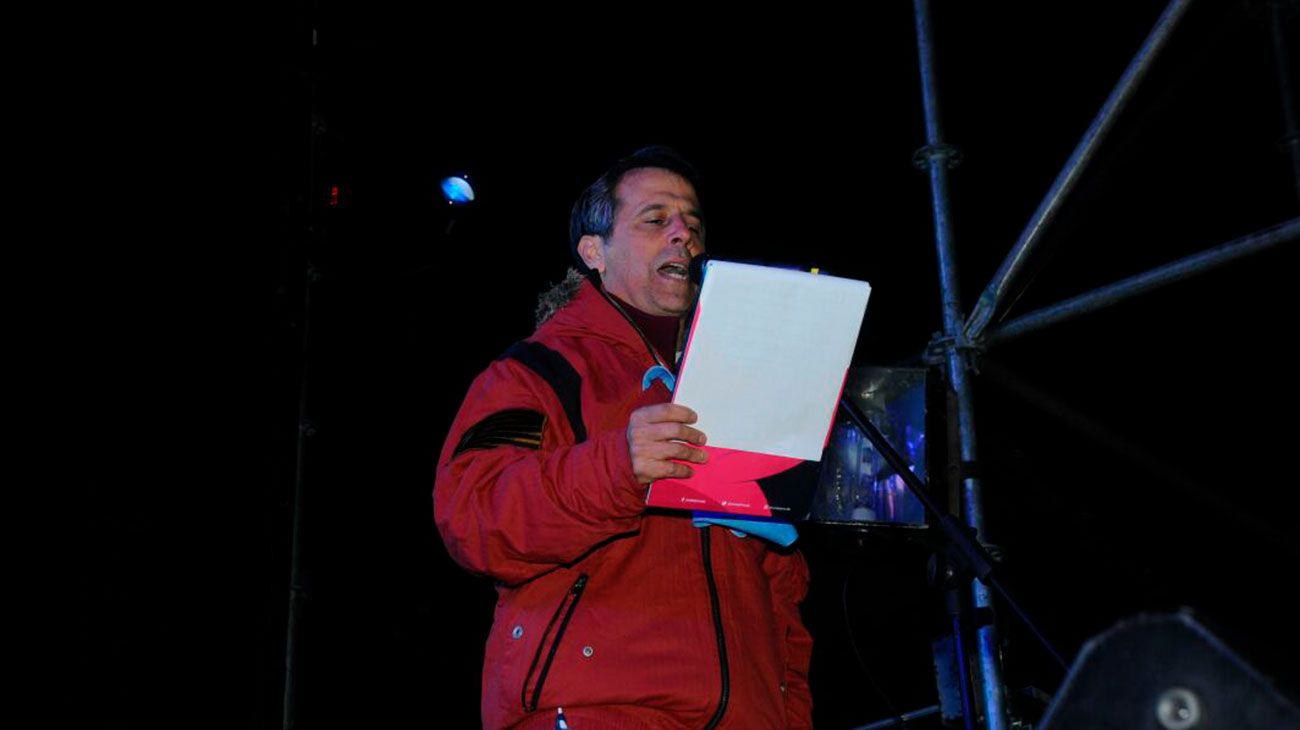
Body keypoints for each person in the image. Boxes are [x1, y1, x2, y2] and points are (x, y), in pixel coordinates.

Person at [434, 146, 813, 729]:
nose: (683, 233)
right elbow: (474, 516)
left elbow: (778, 581)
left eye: (692, 221)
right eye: (656, 219)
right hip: (599, 710)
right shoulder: (535, 371)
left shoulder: (739, 379)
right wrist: (616, 468)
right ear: (594, 250)